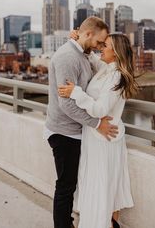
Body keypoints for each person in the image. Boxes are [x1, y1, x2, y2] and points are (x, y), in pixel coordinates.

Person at [45, 17, 119, 228]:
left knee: (73, 184)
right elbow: (66, 104)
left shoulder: (84, 55)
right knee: (66, 186)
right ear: (88, 34)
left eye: (104, 45)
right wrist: (97, 124)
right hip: (64, 132)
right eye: (99, 42)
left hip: (77, 131)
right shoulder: (68, 57)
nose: (100, 46)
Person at [58, 32, 138, 228]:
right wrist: (77, 39)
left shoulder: (116, 76)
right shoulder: (107, 69)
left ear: (116, 53)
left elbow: (100, 109)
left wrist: (76, 92)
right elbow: (91, 56)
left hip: (103, 141)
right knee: (103, 188)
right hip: (96, 137)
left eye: (106, 46)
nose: (101, 48)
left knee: (102, 189)